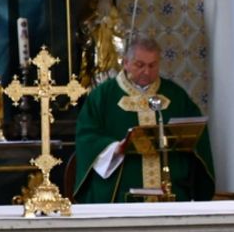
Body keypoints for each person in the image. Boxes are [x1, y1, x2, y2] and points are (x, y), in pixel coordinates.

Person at [72, 34, 215, 203]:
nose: (147, 71)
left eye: (152, 65)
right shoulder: (103, 96)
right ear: (126, 63)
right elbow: (87, 137)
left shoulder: (175, 95)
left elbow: (197, 135)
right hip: (121, 193)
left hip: (171, 191)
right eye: (139, 65)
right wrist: (114, 149)